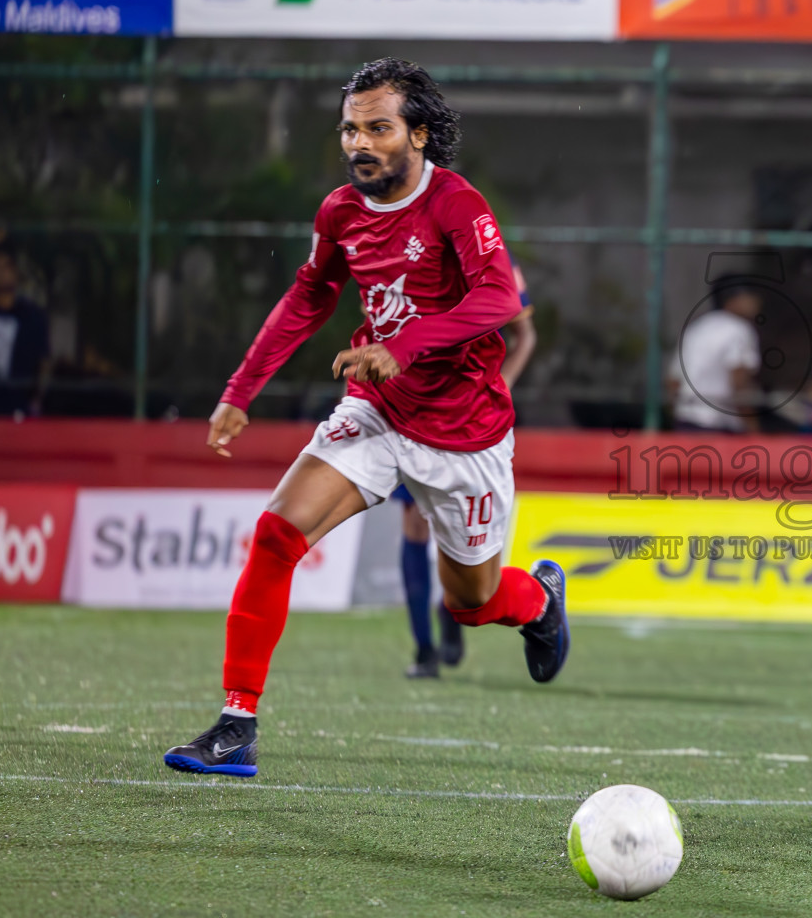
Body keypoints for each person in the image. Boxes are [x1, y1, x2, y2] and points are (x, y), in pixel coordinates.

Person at [162, 58, 569, 779]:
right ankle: (236, 726)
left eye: (378, 128)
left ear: (417, 135)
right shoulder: (340, 213)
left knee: (473, 603)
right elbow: (309, 297)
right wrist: (240, 390)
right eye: (350, 128)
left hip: (466, 434)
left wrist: (401, 348)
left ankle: (538, 601)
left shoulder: (456, 204)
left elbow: (499, 299)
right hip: (378, 413)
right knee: (276, 534)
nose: (360, 143)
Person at [399, 262, 537, 679]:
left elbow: (525, 336)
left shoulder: (499, 263)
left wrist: (500, 386)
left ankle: (450, 614)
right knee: (414, 528)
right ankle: (424, 649)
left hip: (471, 422)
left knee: (458, 539)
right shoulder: (409, 251)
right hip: (413, 412)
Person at [669, 284, 762, 432]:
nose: (757, 302)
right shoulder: (739, 329)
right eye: (751, 296)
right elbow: (739, 384)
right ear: (733, 300)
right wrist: (753, 429)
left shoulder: (696, 327)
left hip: (685, 422)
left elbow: (673, 382)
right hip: (718, 425)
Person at [0, 243, 51, 418]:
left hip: (18, 408)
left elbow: (44, 362)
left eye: (8, 266)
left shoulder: (33, 316)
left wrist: (37, 400)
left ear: (16, 272)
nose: (2, 272)